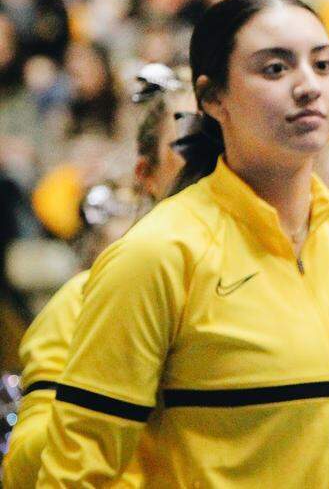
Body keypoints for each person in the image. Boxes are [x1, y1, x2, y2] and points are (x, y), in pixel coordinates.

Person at [35, 0, 329, 486]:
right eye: (275, 69)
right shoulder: (159, 255)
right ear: (213, 98)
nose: (308, 86)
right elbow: (76, 473)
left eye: (323, 65)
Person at [1, 64, 194, 488]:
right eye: (189, 145)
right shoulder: (84, 301)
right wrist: (100, 401)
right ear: (147, 176)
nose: (209, 167)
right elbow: (25, 471)